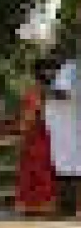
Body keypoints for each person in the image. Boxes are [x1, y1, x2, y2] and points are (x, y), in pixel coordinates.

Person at [15, 58, 58, 216]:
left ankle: (42, 205)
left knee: (43, 171)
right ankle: (34, 205)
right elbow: (29, 117)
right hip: (37, 137)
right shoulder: (34, 94)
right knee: (37, 170)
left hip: (47, 137)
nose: (51, 73)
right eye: (48, 70)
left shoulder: (50, 93)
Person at [46, 43, 81, 216]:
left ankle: (68, 208)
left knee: (68, 168)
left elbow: (63, 93)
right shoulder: (71, 68)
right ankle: (68, 207)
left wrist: (46, 91)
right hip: (66, 125)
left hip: (68, 126)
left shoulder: (69, 68)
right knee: (68, 167)